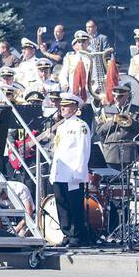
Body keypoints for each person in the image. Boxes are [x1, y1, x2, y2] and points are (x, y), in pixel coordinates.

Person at [50, 93, 95, 247]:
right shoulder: (61, 127)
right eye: (62, 105)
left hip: (72, 173)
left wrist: (79, 172)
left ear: (76, 108)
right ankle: (67, 233)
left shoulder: (80, 126)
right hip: (59, 172)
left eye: (68, 105)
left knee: (74, 205)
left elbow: (83, 150)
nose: (63, 108)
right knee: (62, 204)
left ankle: (77, 235)